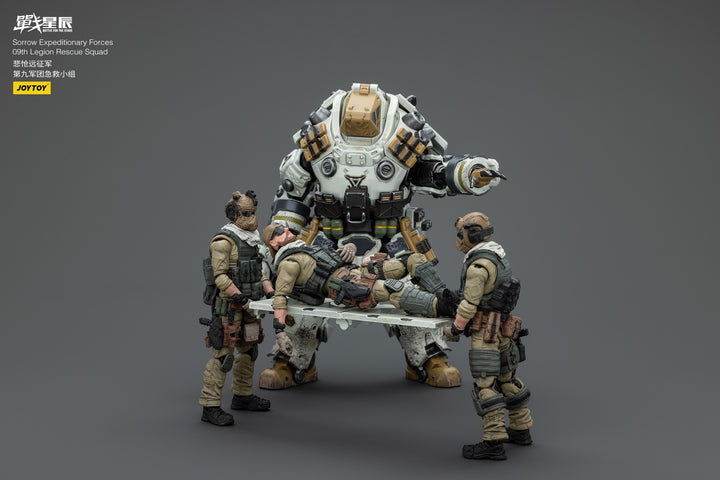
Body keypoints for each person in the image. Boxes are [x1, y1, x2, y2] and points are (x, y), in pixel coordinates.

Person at [266, 82, 506, 388]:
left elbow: (435, 173)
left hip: (390, 241)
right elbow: (292, 196)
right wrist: (279, 244)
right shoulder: (316, 148)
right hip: (327, 243)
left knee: (410, 293)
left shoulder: (400, 148)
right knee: (304, 298)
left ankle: (427, 355)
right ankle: (293, 357)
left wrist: (469, 172)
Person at [259, 223, 458, 385]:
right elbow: (280, 298)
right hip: (345, 286)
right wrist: (280, 332)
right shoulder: (289, 263)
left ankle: (445, 296)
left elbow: (330, 258)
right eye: (279, 231)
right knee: (392, 289)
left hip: (355, 270)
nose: (286, 229)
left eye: (284, 227)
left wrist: (350, 248)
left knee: (412, 259)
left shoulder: (305, 248)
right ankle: (443, 307)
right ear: (273, 243)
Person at [445, 212, 533, 460]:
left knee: (485, 385)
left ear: (473, 235)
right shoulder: (498, 257)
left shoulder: (478, 267)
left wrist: (455, 328)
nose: (458, 239)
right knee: (508, 379)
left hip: (485, 332)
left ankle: (493, 442)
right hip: (503, 329)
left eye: (461, 234)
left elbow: (469, 304)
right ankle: (521, 429)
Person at [198, 191, 274, 426]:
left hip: (251, 305)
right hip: (229, 306)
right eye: (247, 213)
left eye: (254, 213)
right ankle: (210, 406)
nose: (253, 218)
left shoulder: (252, 240)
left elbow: (259, 272)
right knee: (223, 355)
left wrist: (271, 293)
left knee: (249, 349)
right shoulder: (224, 242)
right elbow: (220, 277)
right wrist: (239, 297)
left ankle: (242, 395)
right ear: (234, 215)